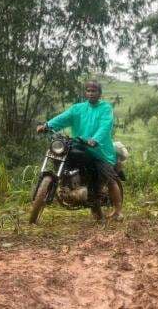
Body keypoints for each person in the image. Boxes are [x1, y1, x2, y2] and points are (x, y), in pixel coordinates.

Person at [37, 80, 123, 220]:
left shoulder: (105, 108)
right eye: (88, 90)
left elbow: (105, 126)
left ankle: (118, 211)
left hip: (99, 150)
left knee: (110, 177)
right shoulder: (78, 108)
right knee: (61, 154)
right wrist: (46, 125)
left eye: (94, 91)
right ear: (85, 92)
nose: (91, 93)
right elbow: (63, 118)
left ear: (99, 93)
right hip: (79, 145)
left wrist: (94, 140)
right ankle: (67, 184)